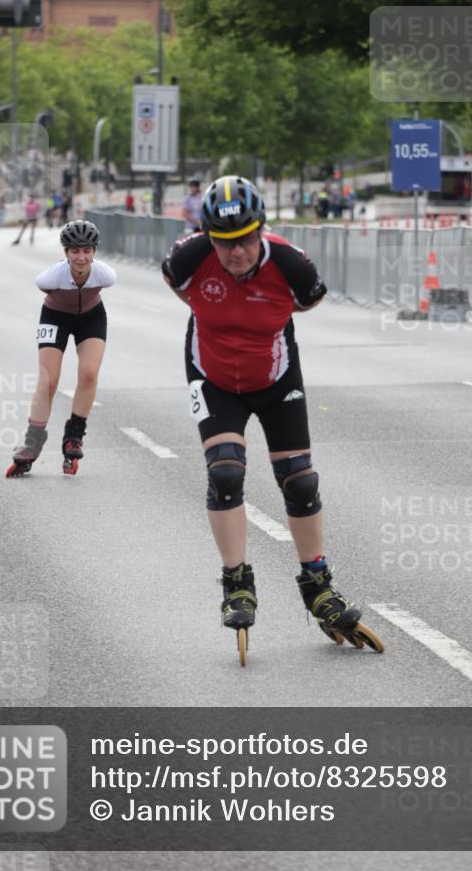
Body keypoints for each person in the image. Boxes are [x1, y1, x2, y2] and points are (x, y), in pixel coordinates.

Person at [161, 175, 383, 654]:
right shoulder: (189, 257)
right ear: (208, 237)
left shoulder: (289, 264)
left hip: (276, 376)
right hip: (213, 376)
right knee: (224, 471)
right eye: (224, 243)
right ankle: (236, 581)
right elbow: (175, 281)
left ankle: (317, 583)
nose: (236, 252)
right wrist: (210, 310)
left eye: (244, 240)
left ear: (261, 230)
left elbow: (311, 299)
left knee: (299, 480)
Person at [6, 220, 116, 478]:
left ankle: (74, 436)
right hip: (55, 316)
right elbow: (44, 289)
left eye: (87, 251)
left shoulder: (106, 274)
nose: (81, 257)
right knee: (49, 381)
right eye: (75, 251)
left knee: (89, 373)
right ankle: (33, 441)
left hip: (91, 317)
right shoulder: (50, 276)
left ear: (94, 252)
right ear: (65, 252)